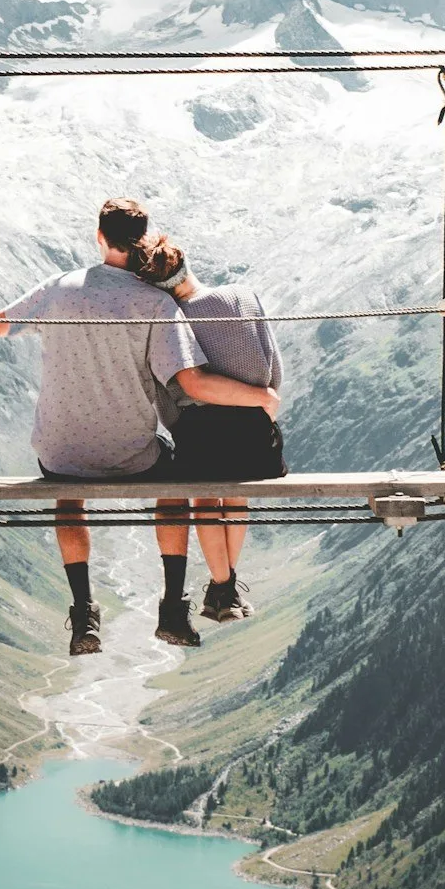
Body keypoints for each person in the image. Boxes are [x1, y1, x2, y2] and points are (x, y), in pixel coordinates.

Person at [0, 198, 210, 657]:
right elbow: (182, 377)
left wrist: (50, 325)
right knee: (175, 484)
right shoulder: (155, 302)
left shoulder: (61, 288)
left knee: (67, 496)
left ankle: (84, 611)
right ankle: (171, 607)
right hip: (131, 454)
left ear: (99, 236)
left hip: (60, 451)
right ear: (143, 239)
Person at [134, 237, 283, 625]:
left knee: (204, 501)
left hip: (201, 434)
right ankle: (225, 589)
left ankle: (224, 585)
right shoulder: (243, 296)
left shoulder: (170, 320)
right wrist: (260, 403)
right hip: (256, 435)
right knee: (236, 498)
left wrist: (180, 425)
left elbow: (169, 395)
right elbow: (274, 370)